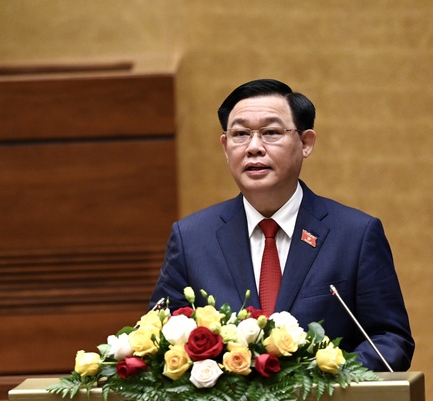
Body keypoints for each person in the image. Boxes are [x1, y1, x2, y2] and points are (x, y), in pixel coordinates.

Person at [149, 79, 414, 371]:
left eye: (271, 133)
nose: (253, 147)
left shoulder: (355, 235)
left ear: (305, 143)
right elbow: (157, 340)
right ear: (225, 147)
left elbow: (390, 340)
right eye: (240, 134)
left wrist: (326, 375)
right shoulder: (191, 239)